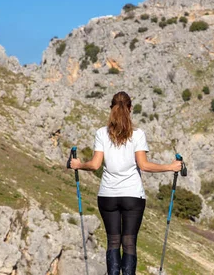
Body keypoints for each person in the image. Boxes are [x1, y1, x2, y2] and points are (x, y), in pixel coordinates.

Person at [69, 91, 182, 275]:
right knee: (129, 242)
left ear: (111, 108)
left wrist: (78, 164)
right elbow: (144, 165)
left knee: (113, 241)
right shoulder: (137, 134)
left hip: (107, 196)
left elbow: (95, 165)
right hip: (133, 196)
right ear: (130, 108)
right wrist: (170, 167)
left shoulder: (101, 133)